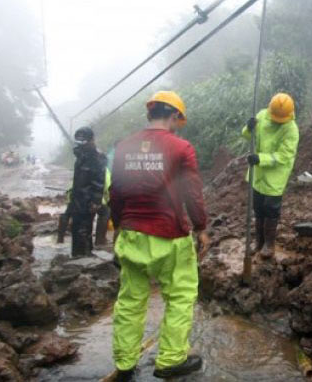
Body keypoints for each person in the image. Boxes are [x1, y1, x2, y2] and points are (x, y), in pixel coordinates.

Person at [109, 91, 209, 381]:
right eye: (180, 119)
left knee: (130, 302)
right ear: (175, 116)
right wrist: (201, 228)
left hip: (131, 234)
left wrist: (117, 230)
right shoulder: (181, 148)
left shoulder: (125, 147)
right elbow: (192, 193)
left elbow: (115, 193)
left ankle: (125, 365)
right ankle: (170, 360)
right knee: (180, 296)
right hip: (170, 237)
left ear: (150, 113)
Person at [242, 93, 300, 259]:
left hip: (275, 175)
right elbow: (247, 136)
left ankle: (269, 244)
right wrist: (249, 128)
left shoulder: (291, 130)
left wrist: (260, 159)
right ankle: (258, 242)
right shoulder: (261, 116)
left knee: (271, 209)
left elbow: (283, 156)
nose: (276, 121)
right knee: (258, 208)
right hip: (258, 173)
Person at [69, 126, 107, 257]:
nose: (81, 144)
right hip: (77, 197)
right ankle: (78, 254)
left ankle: (84, 255)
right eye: (78, 141)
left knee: (84, 227)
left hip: (88, 199)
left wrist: (96, 200)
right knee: (76, 226)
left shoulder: (97, 156)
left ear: (92, 140)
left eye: (83, 141)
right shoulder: (80, 154)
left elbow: (99, 179)